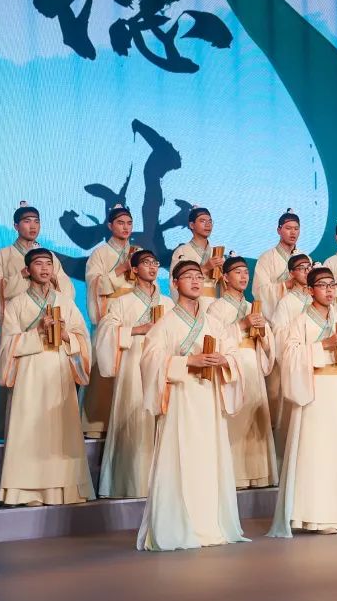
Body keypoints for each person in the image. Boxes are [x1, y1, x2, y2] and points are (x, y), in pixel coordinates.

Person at [137, 260, 246, 551]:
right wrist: (188, 361)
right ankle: (178, 526)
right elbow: (149, 362)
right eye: (188, 277)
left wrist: (225, 360)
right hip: (180, 400)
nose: (196, 281)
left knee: (207, 460)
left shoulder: (213, 324)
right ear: (174, 283)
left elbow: (234, 354)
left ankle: (208, 525)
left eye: (199, 276)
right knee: (180, 458)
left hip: (208, 398)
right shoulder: (165, 324)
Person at [269, 266, 337, 536]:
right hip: (314, 390)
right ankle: (317, 517)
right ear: (309, 290)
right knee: (318, 451)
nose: (329, 290)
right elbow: (289, 356)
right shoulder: (300, 322)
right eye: (323, 285)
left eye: (332, 285)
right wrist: (324, 345)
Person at [0, 248, 94, 506]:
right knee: (30, 428)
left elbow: (82, 337)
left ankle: (63, 490)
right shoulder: (17, 304)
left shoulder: (65, 302)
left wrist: (67, 336)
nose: (45, 268)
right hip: (30, 373)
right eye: (38, 263)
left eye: (48, 263)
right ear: (27, 271)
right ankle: (26, 492)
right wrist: (37, 332)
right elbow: (7, 345)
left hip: (59, 371)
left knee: (60, 431)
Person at [0, 201, 74, 438]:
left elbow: (67, 289)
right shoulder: (3, 255)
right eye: (26, 221)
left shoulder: (48, 256)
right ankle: (14, 434)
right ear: (16, 225)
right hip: (17, 324)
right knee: (15, 382)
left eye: (36, 221)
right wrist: (21, 276)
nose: (32, 226)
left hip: (49, 328)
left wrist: (52, 279)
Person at [95, 249, 174, 498]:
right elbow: (106, 331)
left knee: (161, 415)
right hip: (133, 363)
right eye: (146, 263)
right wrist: (140, 329)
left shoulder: (168, 303)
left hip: (161, 362)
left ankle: (163, 485)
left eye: (155, 262)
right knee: (135, 412)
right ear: (135, 269)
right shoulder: (122, 301)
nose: (152, 267)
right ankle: (132, 483)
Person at [209, 254, 278, 489]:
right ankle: (235, 475)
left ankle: (258, 475)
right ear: (225, 278)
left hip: (252, 365)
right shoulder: (216, 307)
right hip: (232, 365)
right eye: (237, 272)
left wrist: (263, 332)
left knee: (254, 418)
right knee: (235, 415)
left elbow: (268, 343)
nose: (243, 276)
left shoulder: (251, 307)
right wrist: (242, 325)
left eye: (246, 272)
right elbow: (214, 338)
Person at [82, 204, 135, 438]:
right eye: (121, 223)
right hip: (111, 312)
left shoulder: (138, 251)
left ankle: (128, 422)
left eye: (129, 223)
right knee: (104, 364)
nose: (125, 227)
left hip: (134, 314)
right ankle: (97, 425)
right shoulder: (100, 253)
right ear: (110, 226)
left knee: (131, 366)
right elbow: (94, 284)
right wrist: (121, 269)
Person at [264, 252, 312, 457]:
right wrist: (300, 328)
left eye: (309, 267)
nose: (307, 271)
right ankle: (289, 456)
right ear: (292, 273)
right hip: (298, 360)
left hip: (316, 360)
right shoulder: (287, 302)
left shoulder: (316, 299)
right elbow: (278, 332)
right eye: (302, 268)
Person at [252, 208, 300, 319]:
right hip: (275, 316)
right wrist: (286, 285)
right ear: (279, 230)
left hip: (299, 316)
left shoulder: (305, 259)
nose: (293, 232)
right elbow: (259, 291)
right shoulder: (266, 258)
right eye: (288, 228)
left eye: (296, 229)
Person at [169, 205, 223, 302]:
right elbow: (175, 283)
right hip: (193, 304)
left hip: (216, 305)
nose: (208, 225)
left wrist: (225, 273)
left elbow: (225, 288)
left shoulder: (217, 253)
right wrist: (205, 268)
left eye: (210, 221)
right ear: (191, 225)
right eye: (202, 221)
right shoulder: (182, 251)